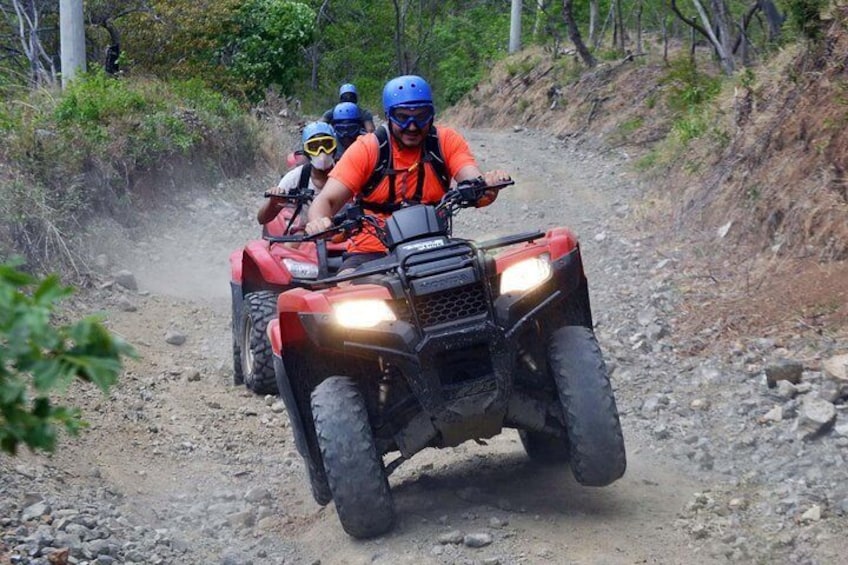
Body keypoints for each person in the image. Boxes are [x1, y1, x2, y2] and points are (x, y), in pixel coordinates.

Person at [306, 75, 510, 273]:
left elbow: (474, 183)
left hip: (433, 244)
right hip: (372, 250)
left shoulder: (445, 141)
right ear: (388, 116)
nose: (412, 127)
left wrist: (487, 185)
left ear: (432, 115)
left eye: (421, 117)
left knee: (480, 277)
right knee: (345, 291)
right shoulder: (367, 148)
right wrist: (319, 221)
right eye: (402, 117)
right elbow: (327, 200)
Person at [258, 121, 338, 226]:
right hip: (307, 233)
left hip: (347, 232)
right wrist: (273, 202)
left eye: (327, 145)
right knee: (291, 242)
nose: (321, 152)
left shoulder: (348, 172)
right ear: (306, 151)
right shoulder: (295, 178)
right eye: (313, 147)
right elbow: (262, 219)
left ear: (335, 147)